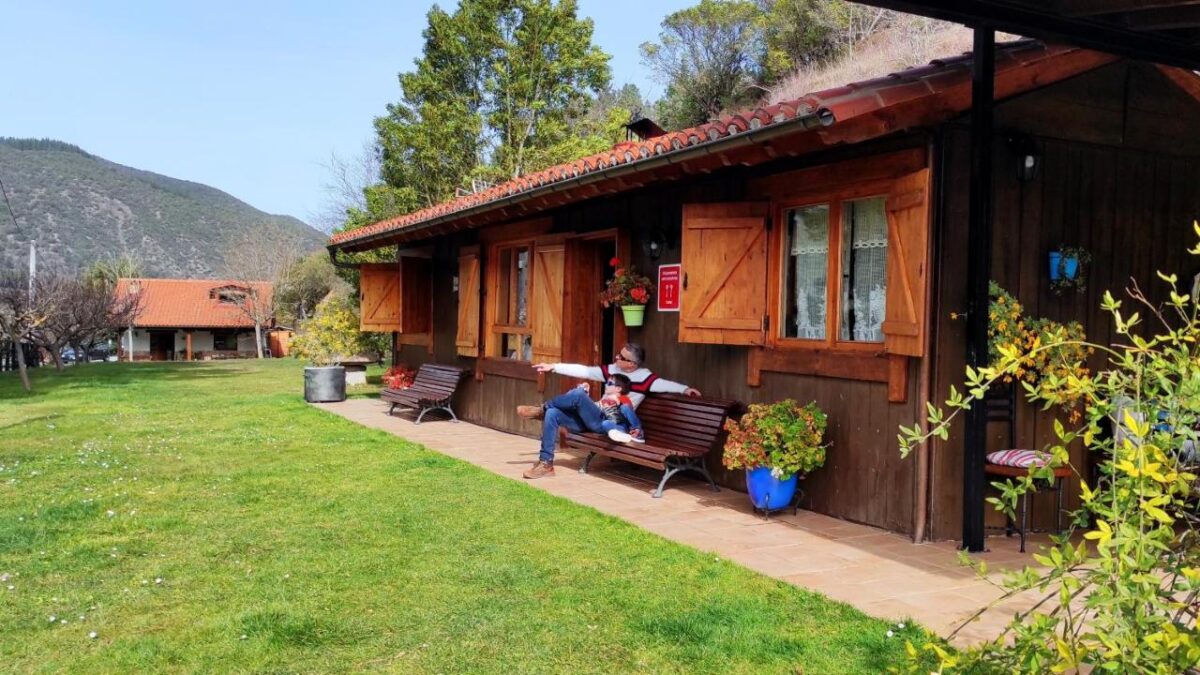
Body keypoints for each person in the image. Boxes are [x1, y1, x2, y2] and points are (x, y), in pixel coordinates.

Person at [518, 342, 701, 479]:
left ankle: (542, 408)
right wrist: (554, 367)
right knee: (554, 414)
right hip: (593, 416)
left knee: (578, 396)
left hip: (607, 423)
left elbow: (664, 384)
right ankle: (546, 464)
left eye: (621, 357)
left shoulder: (646, 379)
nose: (616, 358)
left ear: (632, 364)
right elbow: (585, 371)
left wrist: (685, 389)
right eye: (617, 355)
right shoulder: (611, 371)